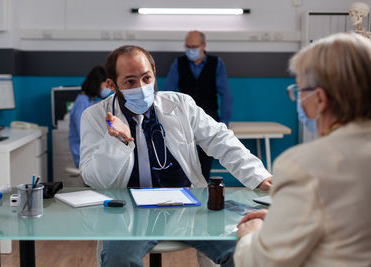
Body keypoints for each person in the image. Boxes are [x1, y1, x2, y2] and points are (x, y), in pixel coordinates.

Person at [79, 45, 272, 267]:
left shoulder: (180, 104)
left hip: (189, 205)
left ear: (154, 72)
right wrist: (117, 141)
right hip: (130, 212)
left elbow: (220, 140)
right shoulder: (94, 117)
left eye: (146, 78)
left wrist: (258, 176)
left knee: (243, 250)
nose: (141, 88)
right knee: (119, 259)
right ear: (112, 85)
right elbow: (94, 179)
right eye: (130, 82)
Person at [234, 33, 371, 267]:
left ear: (319, 99)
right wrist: (285, 221)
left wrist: (251, 235)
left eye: (299, 91)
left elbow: (261, 262)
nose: (297, 100)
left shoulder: (306, 165)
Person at [163, 30, 233, 180]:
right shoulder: (178, 63)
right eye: (188, 47)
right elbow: (167, 92)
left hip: (209, 112)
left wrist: (224, 123)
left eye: (194, 47)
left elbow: (225, 94)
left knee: (207, 151)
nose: (190, 50)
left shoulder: (216, 63)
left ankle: (204, 185)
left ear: (203, 45)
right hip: (184, 113)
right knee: (180, 148)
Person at [68, 65, 111, 168]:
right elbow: (83, 133)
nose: (108, 89)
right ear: (98, 83)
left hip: (92, 153)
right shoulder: (82, 102)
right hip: (85, 156)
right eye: (106, 86)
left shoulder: (91, 101)